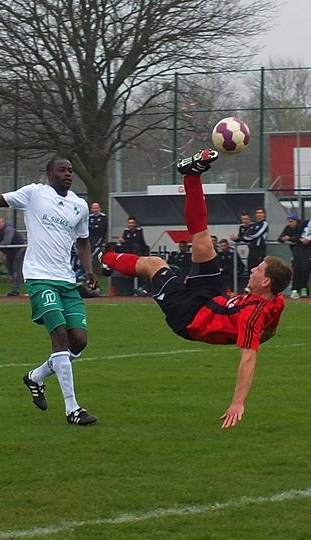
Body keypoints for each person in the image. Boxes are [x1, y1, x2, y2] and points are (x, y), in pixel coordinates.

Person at [102, 149, 292, 428]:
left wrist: (238, 402)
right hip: (214, 297)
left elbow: (249, 359)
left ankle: (103, 258)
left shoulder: (253, 315)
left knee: (155, 263)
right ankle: (192, 176)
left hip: (189, 317)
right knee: (203, 241)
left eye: (258, 269)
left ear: (265, 282)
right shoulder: (275, 301)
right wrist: (265, 335)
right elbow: (272, 328)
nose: (252, 269)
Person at [0, 156, 98, 426]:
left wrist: (88, 270)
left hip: (66, 280)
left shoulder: (80, 205)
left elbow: (83, 241)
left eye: (70, 170)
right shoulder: (34, 194)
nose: (67, 174)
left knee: (79, 341)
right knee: (59, 337)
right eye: (61, 170)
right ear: (49, 173)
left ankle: (36, 377)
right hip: (40, 278)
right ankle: (73, 408)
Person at [0, 216, 26, 297]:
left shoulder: (8, 229)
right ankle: (15, 288)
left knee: (17, 270)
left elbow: (6, 241)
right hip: (9, 253)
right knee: (11, 271)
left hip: (19, 251)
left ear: (3, 223)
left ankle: (15, 290)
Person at [277, 213, 306, 299]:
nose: (290, 223)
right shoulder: (287, 228)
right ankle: (295, 290)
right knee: (296, 270)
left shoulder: (301, 227)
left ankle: (303, 289)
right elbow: (280, 238)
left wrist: (289, 238)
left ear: (296, 221)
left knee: (304, 270)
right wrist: (283, 238)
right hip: (294, 253)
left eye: (292, 221)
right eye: (289, 221)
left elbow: (299, 238)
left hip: (303, 252)